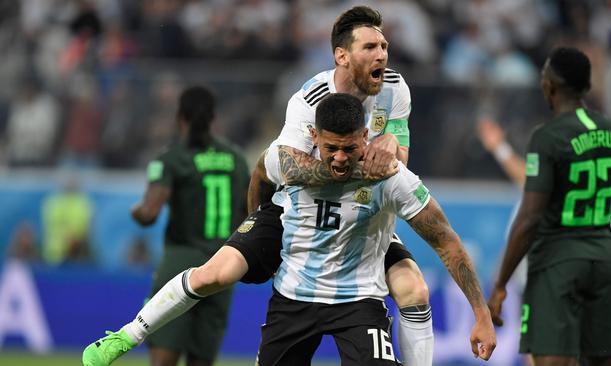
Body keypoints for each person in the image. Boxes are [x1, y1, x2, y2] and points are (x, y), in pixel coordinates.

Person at [82, 6, 432, 365]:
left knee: (414, 289)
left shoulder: (394, 88)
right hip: (297, 211)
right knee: (215, 274)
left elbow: (398, 161)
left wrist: (390, 144)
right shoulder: (307, 102)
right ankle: (127, 335)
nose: (382, 55)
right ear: (342, 55)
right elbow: (273, 165)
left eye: (384, 46)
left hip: (362, 216)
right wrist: (258, 218)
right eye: (371, 47)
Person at [256, 93, 496, 364]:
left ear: (364, 137)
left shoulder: (389, 177)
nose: (340, 159)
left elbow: (446, 241)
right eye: (331, 148)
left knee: (414, 290)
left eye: (349, 149)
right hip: (293, 298)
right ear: (314, 136)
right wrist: (262, 238)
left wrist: (482, 314)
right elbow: (261, 177)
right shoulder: (289, 162)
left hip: (358, 301)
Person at [83, 86, 250, 366]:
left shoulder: (171, 158)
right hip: (223, 263)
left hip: (181, 262)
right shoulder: (235, 158)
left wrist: (135, 210)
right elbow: (247, 212)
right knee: (202, 359)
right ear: (213, 118)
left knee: (164, 357)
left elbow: (149, 214)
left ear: (179, 117)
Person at [487, 47, 611, 366]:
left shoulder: (547, 138)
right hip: (604, 259)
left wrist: (500, 283)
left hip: (558, 263)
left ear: (549, 85)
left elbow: (530, 218)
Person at [478, 117, 611, 317]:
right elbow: (528, 179)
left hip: (590, 310)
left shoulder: (609, 214)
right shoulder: (541, 199)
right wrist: (500, 148)